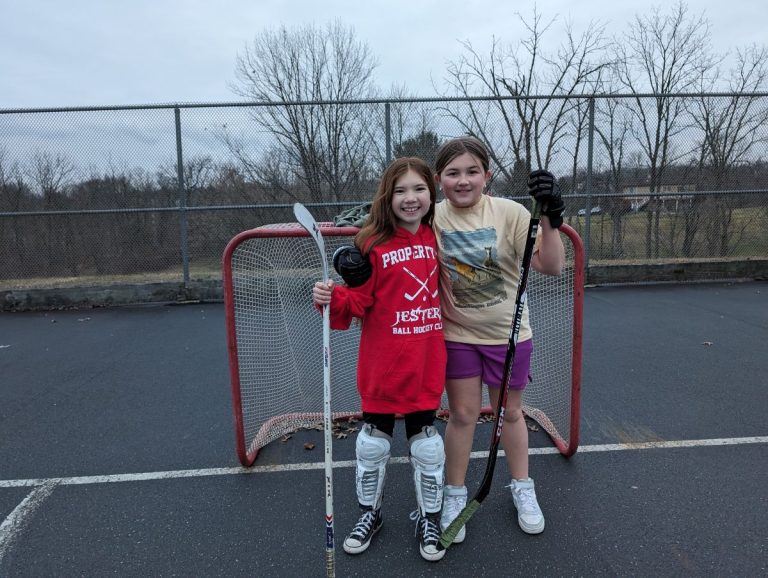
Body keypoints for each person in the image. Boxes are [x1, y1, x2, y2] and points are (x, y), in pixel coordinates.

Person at [312, 156, 448, 562]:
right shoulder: (370, 242)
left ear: (431, 193)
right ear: (386, 197)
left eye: (419, 189)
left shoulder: (439, 235)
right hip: (383, 364)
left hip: (425, 360)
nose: (410, 198)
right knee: (372, 445)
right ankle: (371, 514)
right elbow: (359, 301)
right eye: (401, 191)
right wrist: (330, 297)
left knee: (426, 447)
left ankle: (430, 518)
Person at [432, 136, 566, 543]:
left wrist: (551, 219)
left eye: (472, 171)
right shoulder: (431, 217)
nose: (463, 180)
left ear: (487, 176)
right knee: (463, 415)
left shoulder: (508, 212)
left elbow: (552, 266)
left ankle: (522, 486)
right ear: (439, 180)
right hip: (457, 337)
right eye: (453, 173)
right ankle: (455, 494)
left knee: (510, 413)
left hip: (508, 338)